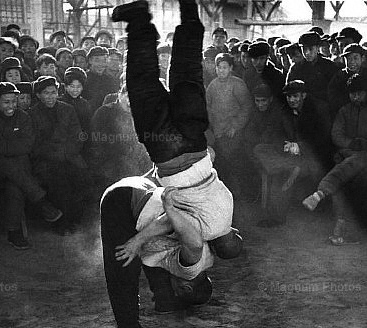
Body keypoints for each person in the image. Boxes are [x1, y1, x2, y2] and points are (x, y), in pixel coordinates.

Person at [103, 1, 242, 326]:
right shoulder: (202, 238)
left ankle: (189, 8)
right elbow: (175, 225)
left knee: (187, 69)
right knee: (143, 84)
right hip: (170, 153)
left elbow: (210, 165)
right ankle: (139, 21)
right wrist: (144, 231)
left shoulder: (227, 208)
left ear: (232, 231)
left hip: (195, 137)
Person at [0, 82, 63, 249]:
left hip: (16, 170)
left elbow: (27, 145)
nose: (11, 106)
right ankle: (42, 202)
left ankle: (14, 232)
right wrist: (10, 148)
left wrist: (0, 148)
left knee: (15, 184)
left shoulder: (23, 117)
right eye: (6, 102)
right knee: (12, 168)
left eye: (14, 101)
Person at [303, 74, 367, 245]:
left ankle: (321, 192)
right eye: (352, 93)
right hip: (348, 156)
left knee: (356, 168)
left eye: (359, 93)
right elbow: (336, 135)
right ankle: (340, 226)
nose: (355, 97)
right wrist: (349, 145)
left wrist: (364, 144)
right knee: (342, 183)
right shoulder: (344, 111)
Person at [253, 80, 332, 227]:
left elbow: (322, 139)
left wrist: (299, 146)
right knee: (260, 149)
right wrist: (285, 145)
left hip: (313, 157)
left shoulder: (318, 110)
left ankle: (276, 217)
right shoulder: (285, 111)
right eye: (289, 97)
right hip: (289, 155)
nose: (291, 100)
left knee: (281, 176)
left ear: (304, 95)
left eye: (295, 96)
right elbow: (276, 133)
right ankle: (285, 166)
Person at [29, 76, 87, 235]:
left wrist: (68, 152)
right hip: (45, 160)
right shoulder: (32, 114)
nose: (50, 97)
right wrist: (56, 154)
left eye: (53, 92)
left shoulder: (67, 109)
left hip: (69, 155)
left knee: (81, 176)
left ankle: (74, 218)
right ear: (39, 95)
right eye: (46, 93)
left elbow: (78, 134)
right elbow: (34, 144)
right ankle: (61, 222)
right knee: (59, 181)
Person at [206, 53, 253, 198]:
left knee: (235, 162)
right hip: (218, 131)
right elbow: (208, 107)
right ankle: (224, 195)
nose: (221, 71)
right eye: (219, 67)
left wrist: (235, 126)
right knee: (220, 163)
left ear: (231, 68)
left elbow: (247, 106)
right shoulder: (212, 86)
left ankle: (245, 193)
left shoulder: (237, 84)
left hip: (233, 131)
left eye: (225, 67)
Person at [287, 32, 339, 105]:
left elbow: (334, 91)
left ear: (318, 48)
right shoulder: (296, 68)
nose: (307, 52)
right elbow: (289, 90)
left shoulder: (329, 66)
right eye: (304, 49)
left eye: (310, 49)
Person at [81, 46, 119, 115]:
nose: (101, 64)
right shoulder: (83, 78)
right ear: (90, 61)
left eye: (104, 60)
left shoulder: (110, 80)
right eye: (97, 60)